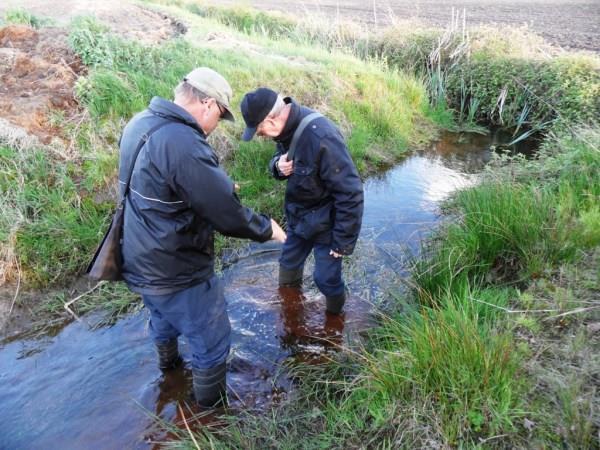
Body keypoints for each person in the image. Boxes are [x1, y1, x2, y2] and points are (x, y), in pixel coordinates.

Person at [118, 68, 286, 408]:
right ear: (207, 104)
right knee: (211, 341)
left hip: (139, 258)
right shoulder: (182, 141)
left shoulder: (140, 122)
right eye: (220, 116)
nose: (214, 126)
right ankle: (209, 418)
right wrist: (267, 228)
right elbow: (225, 213)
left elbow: (160, 189)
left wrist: (214, 188)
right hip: (178, 267)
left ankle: (171, 375)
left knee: (164, 322)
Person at [240, 88, 363, 316]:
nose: (262, 136)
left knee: (325, 279)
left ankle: (335, 321)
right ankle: (290, 314)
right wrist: (277, 166)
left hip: (328, 224)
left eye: (260, 131)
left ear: (271, 119)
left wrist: (342, 242)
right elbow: (279, 159)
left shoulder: (321, 136)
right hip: (299, 218)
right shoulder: (285, 130)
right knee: (288, 264)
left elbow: (351, 191)